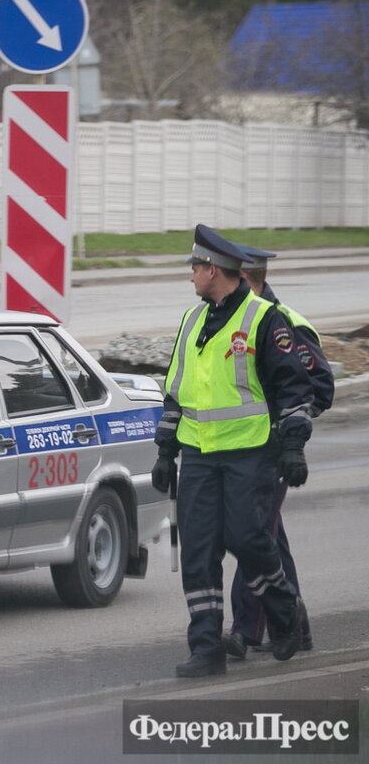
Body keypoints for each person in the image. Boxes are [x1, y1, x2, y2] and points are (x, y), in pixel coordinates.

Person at [151, 224, 315, 678]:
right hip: (199, 455)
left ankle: (284, 612)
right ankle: (206, 647)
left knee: (247, 539)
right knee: (199, 550)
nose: (190, 277)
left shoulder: (265, 319)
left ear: (214, 270)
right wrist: (166, 451)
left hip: (250, 453)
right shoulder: (192, 320)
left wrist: (294, 447)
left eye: (194, 268)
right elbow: (175, 393)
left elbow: (294, 389)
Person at [221, 243, 334, 659]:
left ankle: (245, 630)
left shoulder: (283, 323)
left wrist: (285, 434)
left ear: (249, 280)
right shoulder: (233, 319)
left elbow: (320, 389)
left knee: (252, 536)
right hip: (242, 450)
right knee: (270, 540)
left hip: (271, 451)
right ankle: (296, 626)